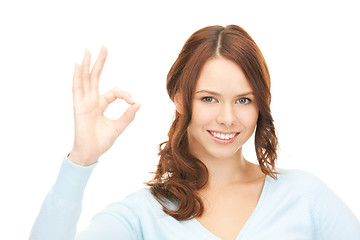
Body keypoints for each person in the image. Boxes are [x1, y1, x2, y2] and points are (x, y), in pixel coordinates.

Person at [30, 25, 360, 240]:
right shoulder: (142, 215)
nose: (227, 118)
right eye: (208, 99)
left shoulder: (305, 197)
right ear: (179, 99)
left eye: (243, 99)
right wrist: (81, 160)